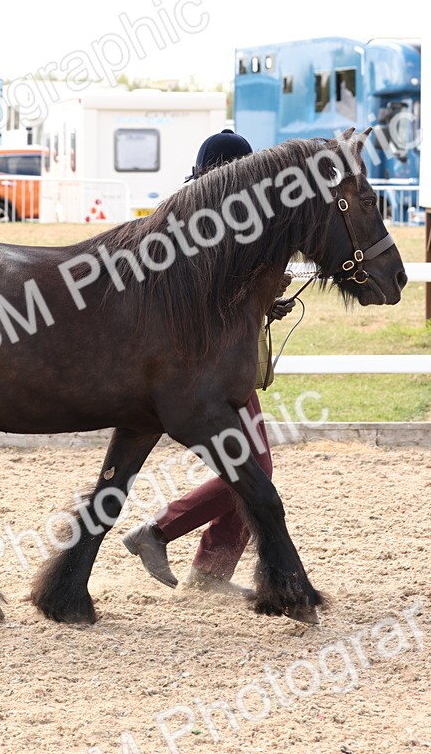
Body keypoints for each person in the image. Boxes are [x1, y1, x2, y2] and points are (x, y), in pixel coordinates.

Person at [122, 129, 295, 597]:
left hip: (213, 363)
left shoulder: (191, 216)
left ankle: (209, 568)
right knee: (256, 470)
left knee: (255, 468)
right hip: (210, 369)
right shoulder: (218, 222)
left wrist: (264, 302)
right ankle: (161, 534)